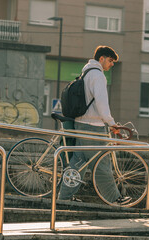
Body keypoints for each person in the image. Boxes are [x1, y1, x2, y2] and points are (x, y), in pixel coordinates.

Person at [58, 45, 131, 205]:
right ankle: (115, 199)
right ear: (102, 58)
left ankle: (64, 198)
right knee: (102, 163)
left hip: (80, 124)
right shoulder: (98, 76)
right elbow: (101, 103)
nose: (112, 64)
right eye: (110, 61)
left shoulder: (86, 72)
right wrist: (111, 123)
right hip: (93, 127)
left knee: (78, 163)